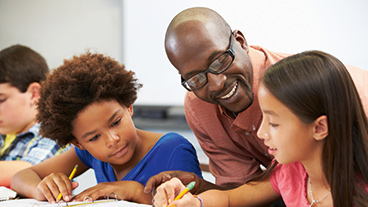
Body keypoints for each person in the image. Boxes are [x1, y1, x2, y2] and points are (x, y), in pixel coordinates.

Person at [144, 7, 368, 195]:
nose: (216, 84)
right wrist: (201, 188)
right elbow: (245, 192)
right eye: (195, 78)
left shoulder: (322, 89)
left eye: (220, 60)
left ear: (240, 42)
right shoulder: (199, 106)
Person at [152, 50, 368, 207]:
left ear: (319, 127)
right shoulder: (292, 172)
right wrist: (196, 203)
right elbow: (230, 198)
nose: (261, 132)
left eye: (273, 123)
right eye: (263, 118)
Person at [10, 52, 203, 205]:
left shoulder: (174, 149)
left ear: (129, 106)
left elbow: (192, 203)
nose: (112, 140)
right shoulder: (87, 154)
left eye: (116, 122)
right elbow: (21, 176)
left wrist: (134, 191)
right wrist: (40, 188)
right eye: (94, 138)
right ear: (78, 143)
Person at [0, 44, 69, 188]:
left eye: (1, 100)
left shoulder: (54, 133)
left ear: (34, 94)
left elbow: (30, 172)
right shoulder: (5, 132)